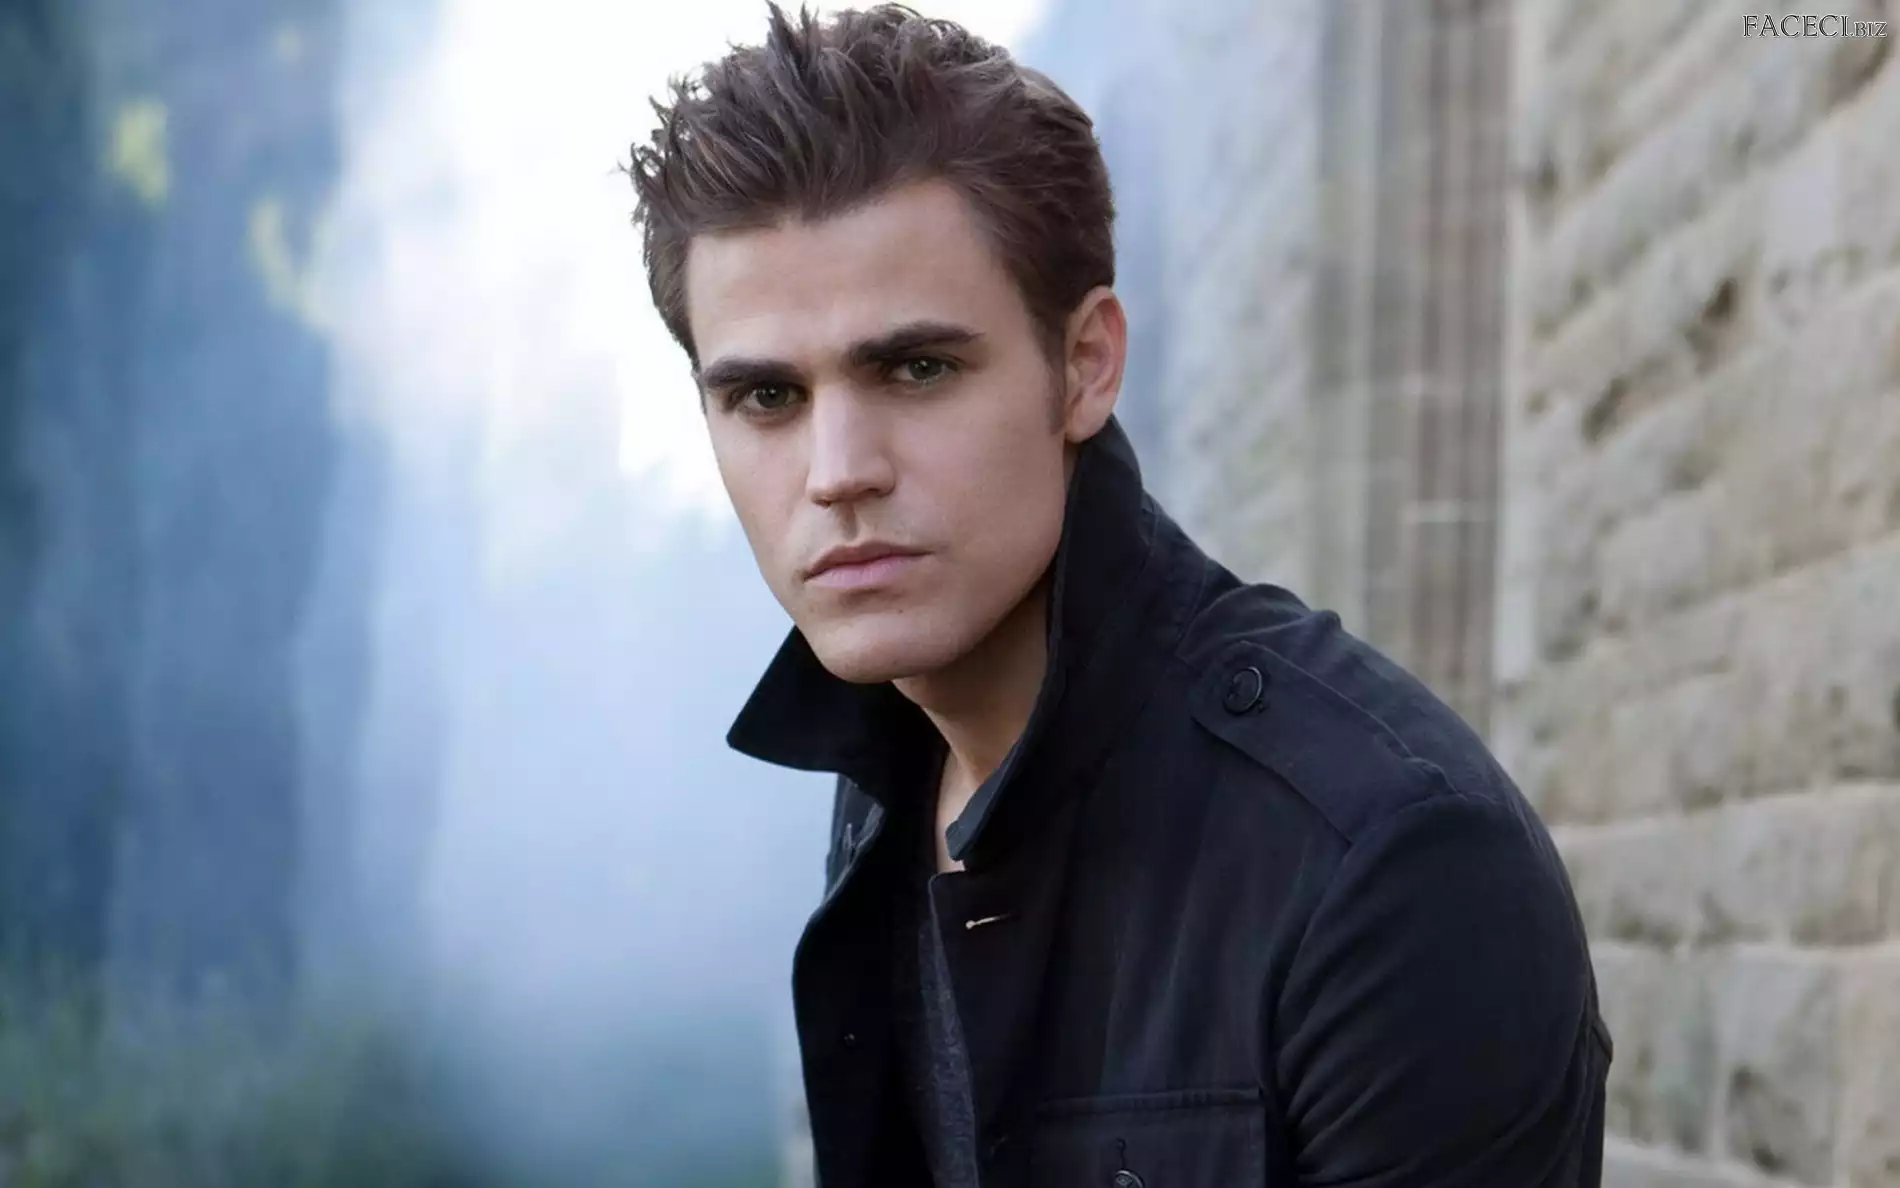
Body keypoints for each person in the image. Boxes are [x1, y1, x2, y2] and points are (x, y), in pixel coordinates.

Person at [626, 5, 1612, 1185]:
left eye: (918, 368)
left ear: (1086, 364)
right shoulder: (890, 765)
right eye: (766, 398)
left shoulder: (1389, 865)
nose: (837, 471)